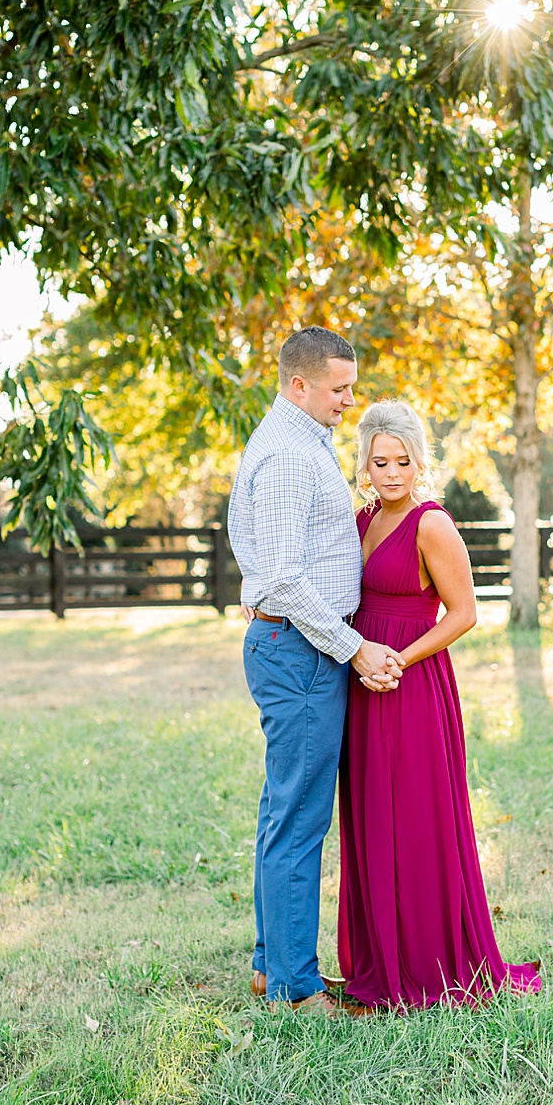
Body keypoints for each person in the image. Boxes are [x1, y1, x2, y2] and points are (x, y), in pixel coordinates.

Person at [336, 399, 543, 1011]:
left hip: (412, 685)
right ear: (365, 463)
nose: (391, 473)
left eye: (402, 461)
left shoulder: (431, 524)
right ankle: (381, 959)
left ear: (419, 462)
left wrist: (398, 659)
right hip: (362, 682)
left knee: (416, 820)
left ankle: (429, 964)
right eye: (380, 462)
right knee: (371, 818)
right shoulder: (361, 520)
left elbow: (464, 613)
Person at [226, 327, 405, 1018]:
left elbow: (259, 547)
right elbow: (282, 577)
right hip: (302, 651)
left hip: (295, 644)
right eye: (339, 388)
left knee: (284, 811)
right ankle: (297, 988)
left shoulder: (296, 441)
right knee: (300, 819)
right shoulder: (289, 455)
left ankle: (272, 966)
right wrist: (352, 646)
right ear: (299, 385)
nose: (349, 400)